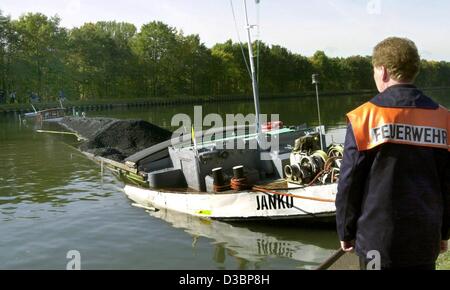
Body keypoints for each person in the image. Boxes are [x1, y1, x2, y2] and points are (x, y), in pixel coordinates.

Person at [336, 37, 450, 270]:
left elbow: (349, 182)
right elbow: (448, 184)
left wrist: (345, 230)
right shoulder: (443, 118)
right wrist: (444, 231)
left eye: (374, 71)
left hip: (377, 239)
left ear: (384, 71)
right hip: (424, 235)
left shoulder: (363, 118)